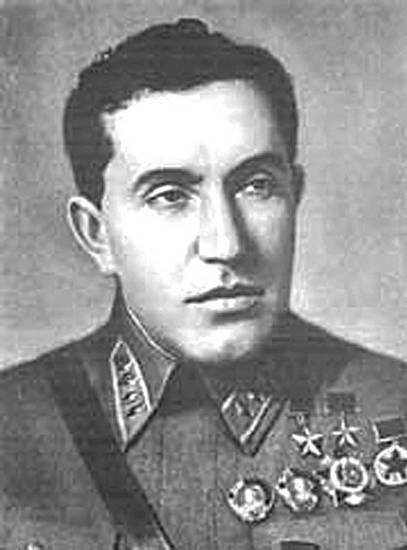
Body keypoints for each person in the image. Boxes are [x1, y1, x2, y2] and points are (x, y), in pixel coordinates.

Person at [0, 18, 406, 550]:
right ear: (97, 235)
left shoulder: (395, 404)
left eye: (257, 185)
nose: (226, 244)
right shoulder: (12, 424)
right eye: (169, 195)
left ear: (295, 196)